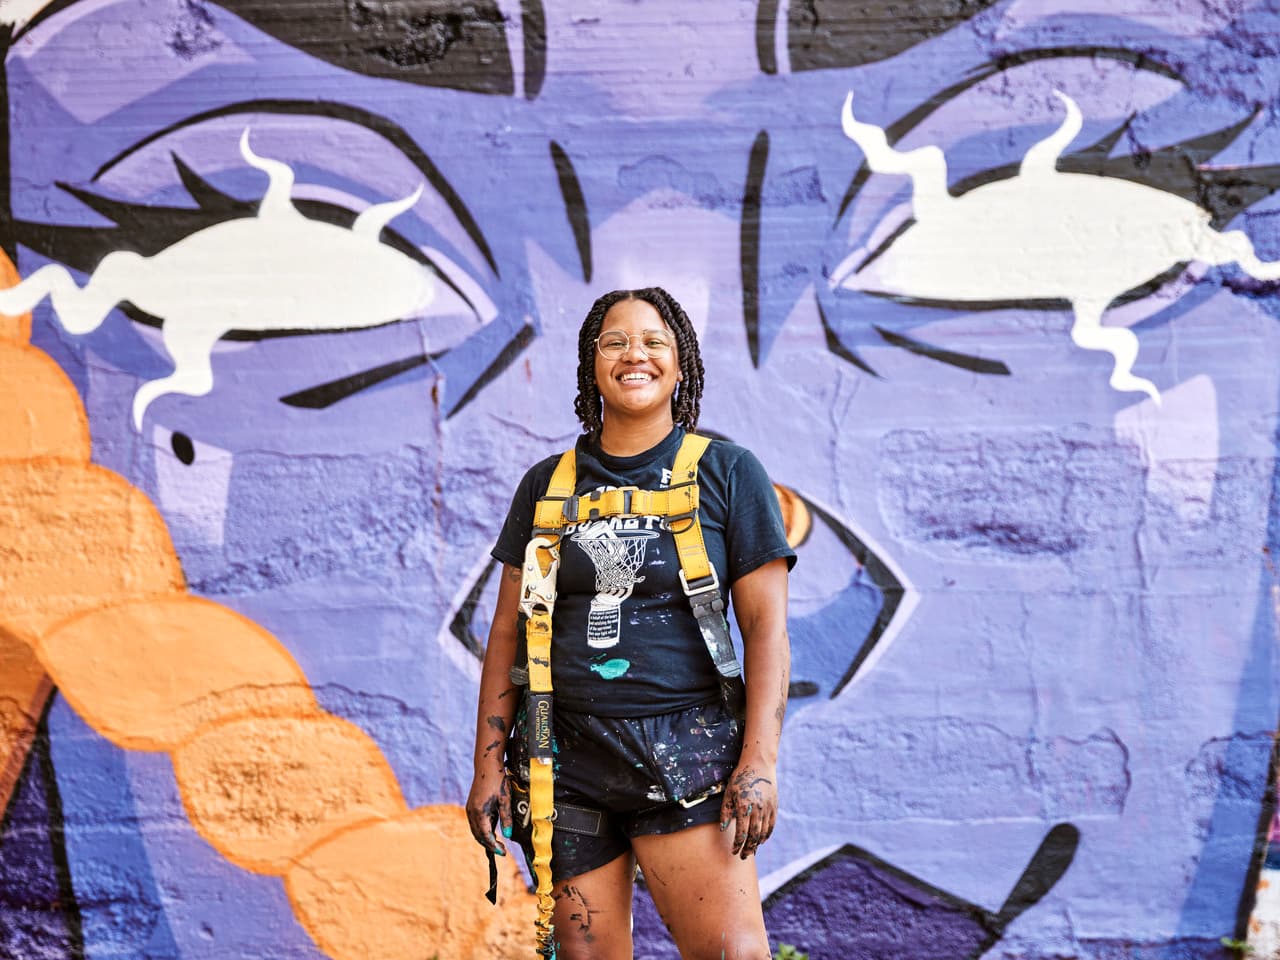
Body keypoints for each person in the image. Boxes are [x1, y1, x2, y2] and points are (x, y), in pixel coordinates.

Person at [467, 286, 795, 959]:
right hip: (564, 761)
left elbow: (767, 630)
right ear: (593, 364)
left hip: (688, 754)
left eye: (654, 342)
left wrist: (759, 762)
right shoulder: (546, 485)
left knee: (733, 953)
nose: (633, 354)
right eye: (614, 341)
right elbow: (506, 631)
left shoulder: (727, 474)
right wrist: (488, 767)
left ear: (681, 366)